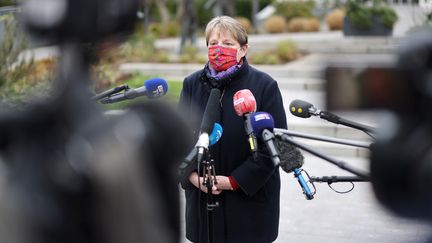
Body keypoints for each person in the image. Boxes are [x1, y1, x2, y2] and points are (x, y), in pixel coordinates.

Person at [178, 16, 287, 243]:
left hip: (248, 206)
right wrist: (193, 176)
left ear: (243, 49)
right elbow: (179, 141)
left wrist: (234, 181)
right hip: (202, 204)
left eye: (228, 44)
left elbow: (276, 144)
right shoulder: (192, 84)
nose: (219, 49)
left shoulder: (264, 85)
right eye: (213, 43)